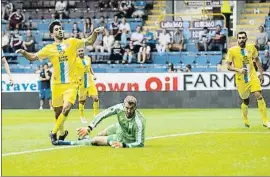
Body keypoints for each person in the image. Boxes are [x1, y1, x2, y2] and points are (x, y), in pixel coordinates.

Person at [16, 20, 104, 145]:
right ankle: (62, 133)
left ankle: (53, 132)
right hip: (56, 85)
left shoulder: (72, 42)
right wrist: (24, 53)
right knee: (57, 112)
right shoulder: (49, 48)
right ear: (52, 34)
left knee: (67, 108)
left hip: (72, 84)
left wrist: (95, 33)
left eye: (60, 28)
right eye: (56, 29)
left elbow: (89, 41)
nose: (60, 30)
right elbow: (33, 57)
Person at [55, 95, 146, 148]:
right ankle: (86, 138)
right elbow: (103, 114)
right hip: (119, 126)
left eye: (132, 108)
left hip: (125, 138)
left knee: (95, 140)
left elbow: (140, 143)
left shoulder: (139, 122)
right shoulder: (119, 108)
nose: (129, 111)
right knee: (100, 133)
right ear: (123, 105)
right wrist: (89, 128)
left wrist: (124, 145)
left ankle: (67, 143)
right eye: (127, 108)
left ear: (136, 107)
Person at [226, 31, 269, 128]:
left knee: (259, 95)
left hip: (253, 76)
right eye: (239, 38)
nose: (241, 39)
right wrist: (238, 70)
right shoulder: (232, 51)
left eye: (243, 38)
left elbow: (257, 59)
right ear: (237, 39)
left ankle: (265, 121)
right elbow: (228, 66)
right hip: (241, 80)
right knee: (246, 100)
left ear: (246, 39)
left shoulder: (251, 48)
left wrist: (261, 74)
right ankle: (245, 119)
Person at [76, 48, 99, 124]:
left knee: (96, 98)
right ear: (77, 52)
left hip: (90, 82)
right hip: (81, 83)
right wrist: (77, 77)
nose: (81, 52)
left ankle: (96, 115)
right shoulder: (75, 61)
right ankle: (82, 116)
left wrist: (93, 74)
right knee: (82, 101)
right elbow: (72, 72)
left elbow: (90, 68)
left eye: (82, 50)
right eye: (79, 51)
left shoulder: (88, 58)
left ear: (84, 51)